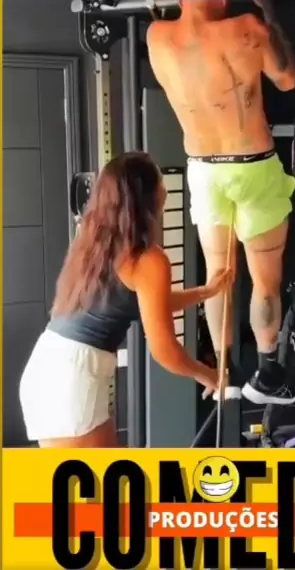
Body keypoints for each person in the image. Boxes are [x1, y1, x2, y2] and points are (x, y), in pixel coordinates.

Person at [19, 152, 231, 448]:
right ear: (147, 197)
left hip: (47, 368)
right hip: (73, 382)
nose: (165, 188)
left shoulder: (93, 243)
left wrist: (205, 292)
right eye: (160, 180)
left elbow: (150, 304)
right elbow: (164, 351)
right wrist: (207, 374)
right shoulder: (149, 261)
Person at [147, 0, 295, 405]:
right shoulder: (247, 28)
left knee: (218, 277)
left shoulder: (156, 37)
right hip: (252, 166)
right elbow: (287, 78)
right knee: (265, 281)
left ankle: (222, 375)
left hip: (203, 169)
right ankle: (267, 374)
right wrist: (270, 12)